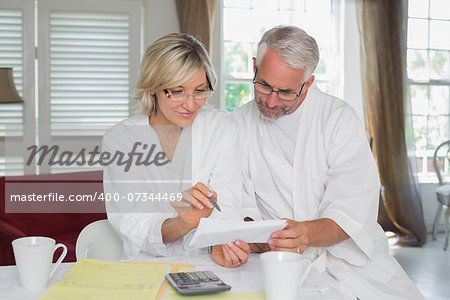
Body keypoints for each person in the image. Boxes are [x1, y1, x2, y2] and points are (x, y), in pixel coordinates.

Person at [212, 25, 424, 299]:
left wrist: (307, 234)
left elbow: (352, 211)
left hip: (352, 264)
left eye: (287, 92)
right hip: (277, 262)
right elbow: (237, 199)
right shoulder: (238, 123)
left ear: (308, 83)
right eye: (264, 85)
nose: (272, 101)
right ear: (254, 66)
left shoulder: (338, 120)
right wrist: (252, 237)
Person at [103, 33, 242, 258]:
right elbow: (134, 223)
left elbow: (228, 205)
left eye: (200, 90)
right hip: (147, 270)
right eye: (176, 92)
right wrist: (182, 222)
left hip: (210, 265)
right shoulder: (121, 139)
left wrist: (223, 244)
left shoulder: (221, 128)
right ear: (152, 87)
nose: (190, 104)